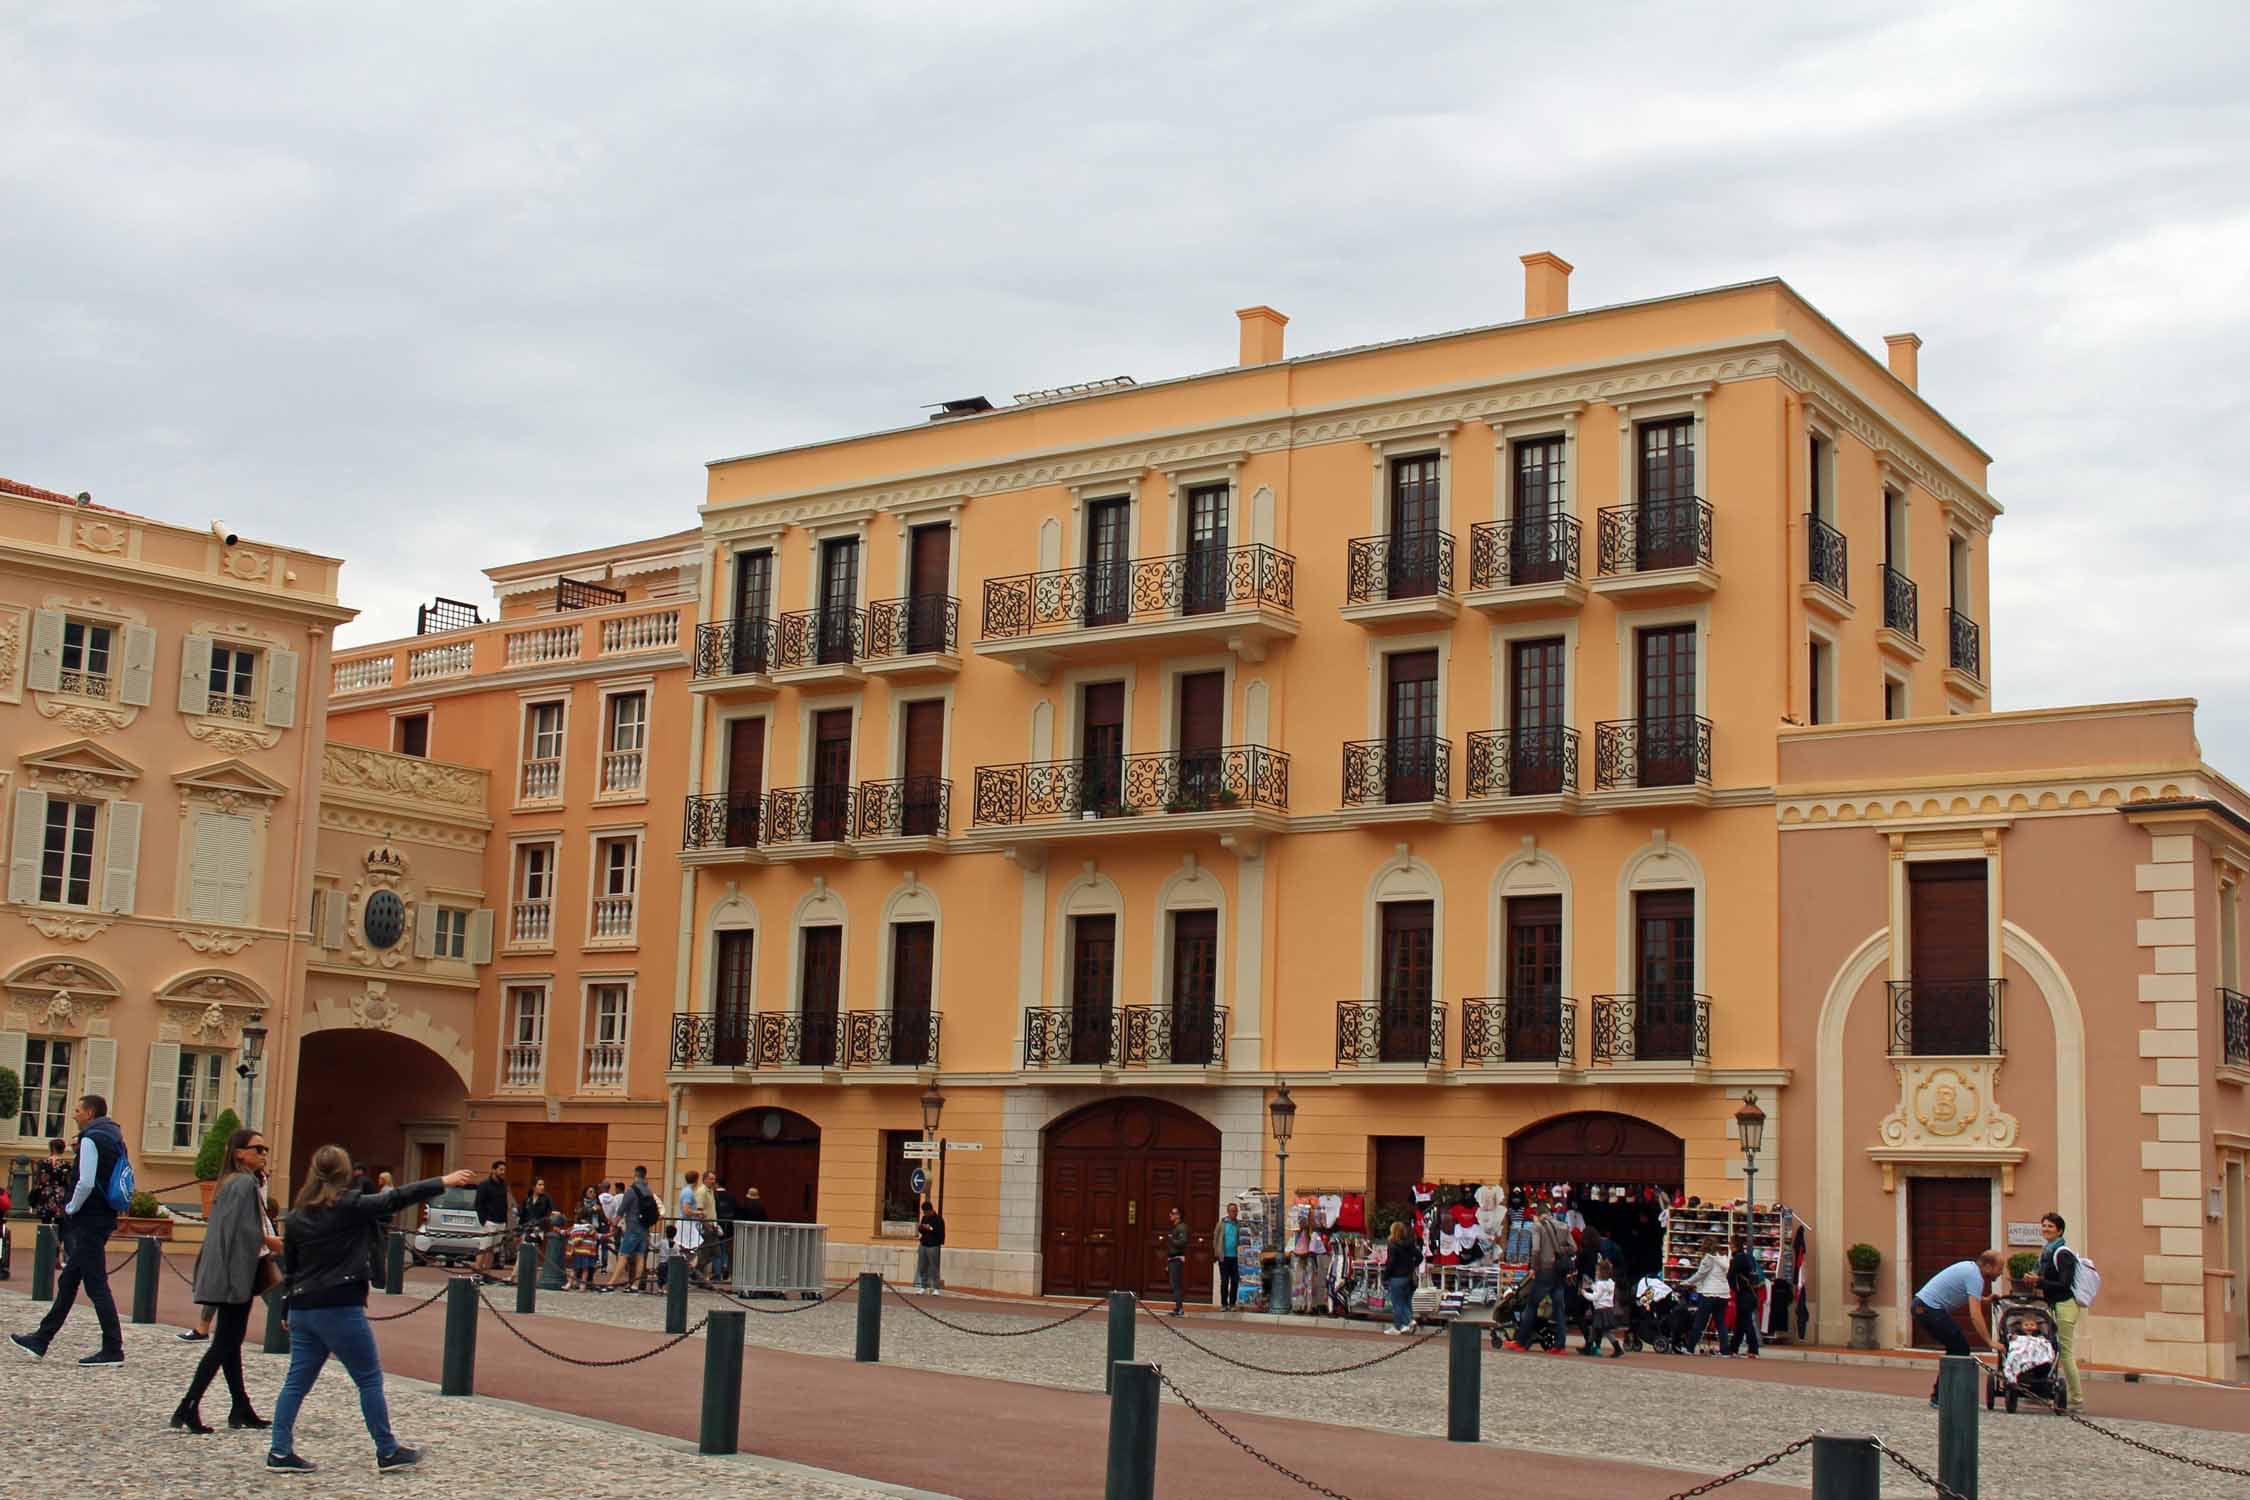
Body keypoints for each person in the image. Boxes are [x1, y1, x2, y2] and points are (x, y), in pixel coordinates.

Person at [265, 1148, 478, 1474]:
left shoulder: (296, 1217)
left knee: (296, 1382)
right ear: (346, 1174)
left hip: (303, 1308)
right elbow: (397, 1198)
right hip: (339, 1305)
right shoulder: (349, 1207)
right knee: (368, 1378)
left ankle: (279, 1451)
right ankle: (387, 1449)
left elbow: (291, 1269)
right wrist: (443, 1181)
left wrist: (285, 1308)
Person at [171, 1127, 279, 1433]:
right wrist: (273, 1243)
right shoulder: (243, 1183)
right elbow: (242, 1232)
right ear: (239, 1153)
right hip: (236, 1272)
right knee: (224, 1343)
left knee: (230, 1342)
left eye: (265, 1149)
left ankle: (240, 1407)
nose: (263, 1154)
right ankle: (188, 1406)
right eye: (258, 1149)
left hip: (229, 1270)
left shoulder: (233, 1183)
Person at [9, 1095, 127, 1367]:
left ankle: (113, 1348)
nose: (74, 1114)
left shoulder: (90, 1139)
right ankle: (41, 1338)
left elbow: (85, 1181)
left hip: (88, 1218)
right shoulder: (114, 1136)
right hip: (104, 1214)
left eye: (77, 1110)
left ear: (89, 1112)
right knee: (69, 1281)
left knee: (97, 1285)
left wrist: (71, 1208)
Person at [1912, 1250, 2003, 1407]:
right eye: (2000, 1268)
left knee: (1957, 1348)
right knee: (1959, 1348)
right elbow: (1975, 1315)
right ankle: (1940, 1397)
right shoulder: (1975, 1277)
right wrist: (1990, 1341)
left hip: (1922, 1306)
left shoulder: (1970, 1269)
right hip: (1927, 1308)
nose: (2001, 1273)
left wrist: (1985, 1300)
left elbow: (1968, 1296)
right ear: (1988, 1266)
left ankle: (1944, 1395)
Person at [1504, 1200, 1574, 1353]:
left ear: (1538, 1215)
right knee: (1559, 1309)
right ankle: (1559, 1345)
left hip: (1544, 1270)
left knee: (1531, 1306)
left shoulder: (1538, 1227)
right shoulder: (1563, 1226)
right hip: (1559, 1272)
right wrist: (1560, 1252)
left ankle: (1521, 1341)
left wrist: (1534, 1267)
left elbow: (1535, 1250)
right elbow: (1573, 1247)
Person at [2032, 1213, 2083, 1409]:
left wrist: (2039, 1281)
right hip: (2055, 1306)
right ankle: (2045, 1390)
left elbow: (2064, 1284)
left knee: (2066, 1352)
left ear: (2059, 1230)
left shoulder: (2062, 1254)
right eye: (2044, 1225)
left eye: (2050, 1226)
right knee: (2053, 1349)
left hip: (2065, 1306)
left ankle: (2076, 1398)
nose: (2045, 1229)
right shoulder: (2046, 1252)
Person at [606, 1167, 656, 1292]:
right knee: (640, 1257)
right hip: (644, 1228)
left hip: (633, 1227)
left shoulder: (631, 1190)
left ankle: (611, 1283)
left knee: (623, 1255)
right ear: (645, 1176)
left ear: (635, 1175)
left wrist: (614, 1223)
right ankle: (635, 1286)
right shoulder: (649, 1191)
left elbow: (622, 1209)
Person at [1681, 1236, 1731, 1354]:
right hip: (1723, 1294)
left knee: (1699, 1322)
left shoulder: (1708, 1259)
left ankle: (1690, 1348)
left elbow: (1700, 1274)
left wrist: (1686, 1283)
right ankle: (1725, 1351)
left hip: (1709, 1293)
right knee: (1721, 1324)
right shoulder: (1724, 1258)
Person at [1724, 1235, 1764, 1358]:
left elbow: (1730, 1276)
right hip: (1751, 1294)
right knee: (1741, 1323)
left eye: (1731, 1244)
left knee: (1746, 1323)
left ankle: (1753, 1349)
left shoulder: (1737, 1259)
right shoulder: (1749, 1258)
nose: (1730, 1246)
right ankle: (1733, 1348)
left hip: (1743, 1295)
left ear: (1735, 1246)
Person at [473, 1161, 511, 1285]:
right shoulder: (484, 1185)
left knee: (493, 1250)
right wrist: (483, 1220)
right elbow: (479, 1203)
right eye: (500, 1169)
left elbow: (505, 1203)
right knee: (483, 1248)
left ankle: (486, 1273)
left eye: (504, 1170)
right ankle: (477, 1273)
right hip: (489, 1221)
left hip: (500, 1221)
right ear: (493, 1170)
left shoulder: (503, 1185)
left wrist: (505, 1220)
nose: (503, 1172)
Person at [1382, 1219, 1422, 1334]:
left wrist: (1385, 1275)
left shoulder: (1392, 1245)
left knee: (1397, 1303)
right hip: (1409, 1276)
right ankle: (1404, 1325)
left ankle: (1404, 1323)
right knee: (1406, 1302)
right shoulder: (1409, 1243)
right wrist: (1412, 1265)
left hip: (1397, 1277)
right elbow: (1419, 1256)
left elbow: (1391, 1262)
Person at [1582, 1257, 1623, 1357]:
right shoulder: (1611, 1283)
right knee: (1596, 1329)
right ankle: (1588, 1348)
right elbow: (1599, 1290)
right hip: (1608, 1309)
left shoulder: (1600, 1284)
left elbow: (1595, 1296)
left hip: (1600, 1310)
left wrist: (1584, 1293)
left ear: (1601, 1272)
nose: (1596, 1273)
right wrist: (1591, 1284)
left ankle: (1617, 1348)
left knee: (1601, 1330)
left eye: (1597, 1271)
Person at [30, 1137, 72, 1226]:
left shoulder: (43, 1163)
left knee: (45, 1221)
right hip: (60, 1193)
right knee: (60, 1222)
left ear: (52, 1148)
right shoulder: (66, 1164)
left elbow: (38, 1181)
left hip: (45, 1193)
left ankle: (45, 1238)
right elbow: (69, 1182)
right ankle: (58, 1239)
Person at [675, 1170, 705, 1276]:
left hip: (687, 1224)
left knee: (690, 1250)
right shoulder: (688, 1192)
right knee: (693, 1249)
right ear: (696, 1180)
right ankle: (686, 1272)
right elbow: (686, 1210)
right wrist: (698, 1213)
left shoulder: (686, 1191)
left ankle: (686, 1272)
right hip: (687, 1225)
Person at [1215, 1203, 1242, 1310]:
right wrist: (1216, 1253)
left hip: (1235, 1257)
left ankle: (1232, 1303)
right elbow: (1216, 1238)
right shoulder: (1221, 1224)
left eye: (1235, 1211)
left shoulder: (1239, 1224)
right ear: (1228, 1212)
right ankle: (1224, 1304)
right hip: (1224, 1257)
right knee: (1225, 1281)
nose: (1234, 1213)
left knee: (1235, 1280)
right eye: (1232, 1211)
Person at [1164, 1207, 1189, 1315]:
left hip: (1177, 1258)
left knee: (1176, 1284)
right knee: (1174, 1284)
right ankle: (1178, 1307)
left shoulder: (1182, 1227)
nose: (1170, 1215)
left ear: (1178, 1216)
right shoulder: (1175, 1227)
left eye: (1172, 1213)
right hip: (1172, 1258)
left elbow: (1182, 1242)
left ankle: (1179, 1308)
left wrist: (1171, 1239)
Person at [565, 1213, 599, 1291]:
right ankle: (582, 1285)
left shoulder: (574, 1227)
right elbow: (596, 1236)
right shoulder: (590, 1227)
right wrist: (609, 1235)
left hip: (576, 1251)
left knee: (574, 1269)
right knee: (585, 1269)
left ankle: (569, 1284)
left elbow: (566, 1232)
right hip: (586, 1251)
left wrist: (559, 1230)